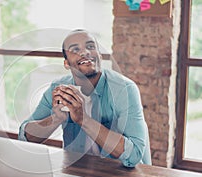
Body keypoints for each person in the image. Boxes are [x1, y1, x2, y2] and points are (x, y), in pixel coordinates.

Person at [18, 29, 151, 167]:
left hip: (121, 174)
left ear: (99, 56)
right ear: (66, 64)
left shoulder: (124, 89)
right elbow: (25, 137)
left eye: (90, 47)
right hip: (78, 171)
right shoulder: (58, 88)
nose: (85, 52)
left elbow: (135, 154)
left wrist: (83, 120)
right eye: (75, 49)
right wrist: (55, 119)